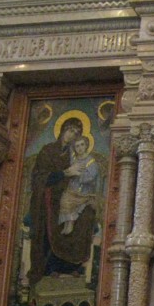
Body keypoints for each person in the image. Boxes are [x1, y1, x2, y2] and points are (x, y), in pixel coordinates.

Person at [27, 117, 97, 286]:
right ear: (62, 130)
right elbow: (39, 178)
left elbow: (88, 177)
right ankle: (51, 267)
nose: (72, 135)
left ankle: (72, 265)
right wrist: (65, 173)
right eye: (70, 130)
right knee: (53, 217)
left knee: (87, 215)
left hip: (71, 196)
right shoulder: (48, 150)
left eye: (76, 133)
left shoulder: (75, 156)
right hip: (48, 197)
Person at [58, 135, 99, 236]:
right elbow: (68, 170)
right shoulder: (73, 159)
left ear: (86, 146)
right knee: (64, 200)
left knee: (72, 202)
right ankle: (67, 224)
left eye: (82, 145)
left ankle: (70, 224)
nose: (80, 148)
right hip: (72, 189)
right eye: (77, 146)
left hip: (83, 192)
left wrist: (79, 174)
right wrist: (70, 171)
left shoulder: (90, 161)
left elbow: (92, 176)